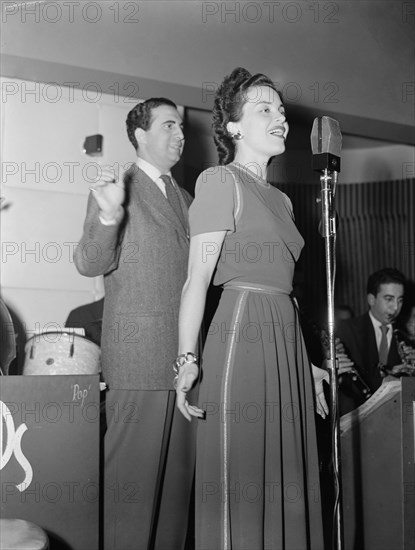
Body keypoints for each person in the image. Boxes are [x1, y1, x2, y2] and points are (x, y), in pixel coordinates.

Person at [174, 67, 328, 550]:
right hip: (242, 332)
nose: (279, 117)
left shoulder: (282, 199)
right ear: (234, 126)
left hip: (286, 337)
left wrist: (307, 363)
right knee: (241, 478)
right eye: (264, 109)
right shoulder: (220, 180)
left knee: (286, 479)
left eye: (281, 110)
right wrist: (186, 359)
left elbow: (287, 289)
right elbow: (196, 279)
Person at [74, 98, 196, 550]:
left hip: (186, 368)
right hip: (140, 360)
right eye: (169, 125)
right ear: (140, 135)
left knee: (174, 501)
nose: (180, 134)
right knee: (131, 497)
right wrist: (109, 215)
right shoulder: (117, 188)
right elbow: (89, 262)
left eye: (182, 126)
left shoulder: (186, 199)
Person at [335, 267, 406, 415]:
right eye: (389, 299)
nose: (395, 308)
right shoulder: (347, 330)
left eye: (400, 300)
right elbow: (345, 385)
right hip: (356, 421)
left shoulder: (406, 336)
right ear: (371, 299)